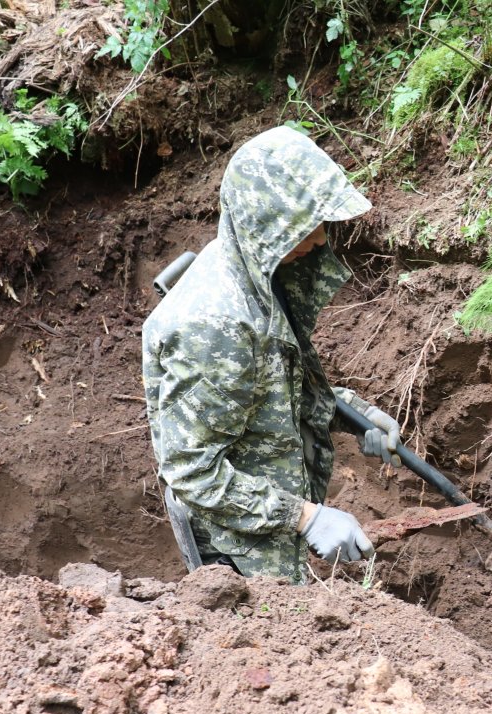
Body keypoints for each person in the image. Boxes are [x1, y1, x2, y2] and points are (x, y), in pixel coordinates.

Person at [141, 126, 401, 584]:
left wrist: (353, 412)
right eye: (306, 225)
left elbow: (267, 386)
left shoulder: (254, 270)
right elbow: (192, 471)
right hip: (234, 552)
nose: (321, 239)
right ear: (268, 223)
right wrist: (306, 518)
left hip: (268, 527)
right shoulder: (213, 326)